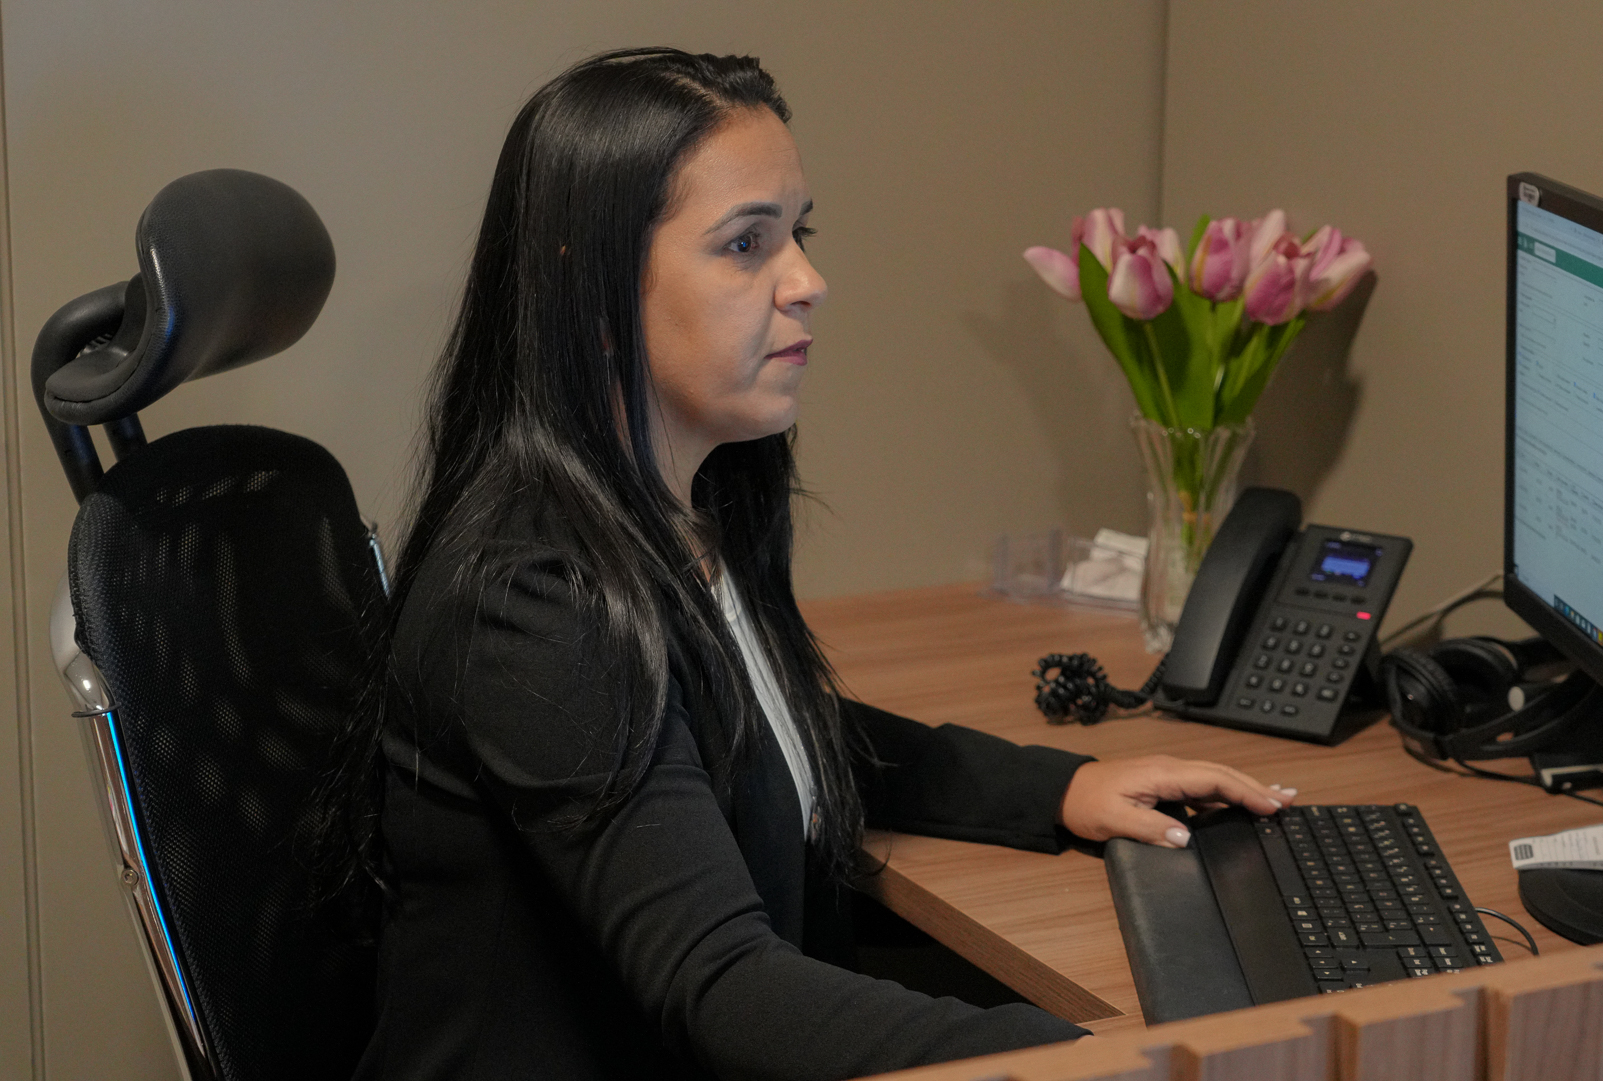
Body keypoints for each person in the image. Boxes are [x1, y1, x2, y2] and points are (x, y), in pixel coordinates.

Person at [345, 47, 1295, 1081]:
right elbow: (726, 989)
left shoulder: (691, 502)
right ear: (590, 283)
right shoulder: (532, 597)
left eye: (798, 233)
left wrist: (1060, 786)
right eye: (746, 243)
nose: (807, 281)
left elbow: (766, 731)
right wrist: (1147, 1062)